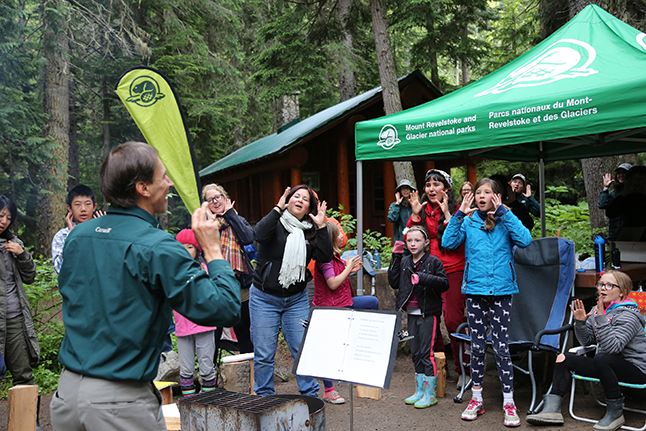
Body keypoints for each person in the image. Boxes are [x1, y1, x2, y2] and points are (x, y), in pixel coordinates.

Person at [50, 142, 241, 431]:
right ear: (143, 187)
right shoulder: (157, 246)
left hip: (66, 395)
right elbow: (224, 308)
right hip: (118, 402)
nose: (170, 183)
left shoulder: (78, 237)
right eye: (163, 176)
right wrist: (213, 251)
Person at [442, 178, 532, 427]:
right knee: (478, 347)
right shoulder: (469, 221)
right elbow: (448, 243)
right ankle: (477, 398)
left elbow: (525, 241)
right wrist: (459, 214)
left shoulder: (506, 220)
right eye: (478, 192)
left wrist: (504, 212)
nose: (481, 196)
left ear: (497, 196)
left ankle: (509, 402)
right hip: (475, 292)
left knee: (502, 348)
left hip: (502, 292)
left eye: (487, 192)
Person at [526, 270, 646, 431]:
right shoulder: (598, 310)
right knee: (564, 358)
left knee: (602, 357)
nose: (603, 288)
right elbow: (587, 341)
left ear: (622, 292)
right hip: (606, 366)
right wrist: (581, 322)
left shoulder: (628, 316)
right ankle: (552, 410)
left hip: (636, 369)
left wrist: (601, 318)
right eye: (601, 284)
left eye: (609, 285)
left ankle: (615, 412)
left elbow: (613, 348)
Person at [250, 185, 333, 397]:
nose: (300, 200)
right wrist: (277, 208)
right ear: (288, 199)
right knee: (264, 354)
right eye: (296, 196)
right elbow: (258, 234)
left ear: (309, 208)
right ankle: (264, 397)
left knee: (302, 350)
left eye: (305, 199)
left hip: (296, 300)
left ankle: (310, 395)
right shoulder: (275, 222)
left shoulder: (311, 230)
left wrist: (322, 227)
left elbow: (324, 257)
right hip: (264, 298)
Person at [408, 169, 467, 387]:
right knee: (430, 320)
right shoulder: (421, 210)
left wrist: (448, 215)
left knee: (453, 320)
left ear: (447, 189)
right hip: (427, 272)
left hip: (453, 269)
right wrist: (415, 216)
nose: (431, 189)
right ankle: (439, 368)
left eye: (437, 184)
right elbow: (412, 241)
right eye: (428, 185)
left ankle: (464, 368)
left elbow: (459, 240)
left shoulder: (459, 209)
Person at [313, 221, 379, 404]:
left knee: (372, 302)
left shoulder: (334, 257)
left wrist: (348, 269)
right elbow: (332, 283)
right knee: (328, 350)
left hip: (342, 304)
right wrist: (348, 268)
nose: (343, 236)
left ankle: (355, 342)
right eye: (340, 233)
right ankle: (329, 390)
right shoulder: (325, 259)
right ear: (332, 238)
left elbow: (337, 276)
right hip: (330, 310)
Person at [389, 225, 449, 409]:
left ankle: (430, 394)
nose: (413, 244)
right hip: (412, 314)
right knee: (415, 352)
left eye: (417, 240)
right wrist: (396, 256)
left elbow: (444, 284)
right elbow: (393, 281)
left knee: (426, 353)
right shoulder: (405, 261)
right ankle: (420, 391)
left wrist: (422, 278)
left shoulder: (433, 262)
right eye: (409, 241)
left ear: (426, 243)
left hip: (428, 314)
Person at [203, 183, 255, 354]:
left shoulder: (235, 218)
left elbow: (248, 238)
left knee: (242, 328)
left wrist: (230, 213)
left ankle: (250, 372)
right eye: (210, 200)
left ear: (225, 198)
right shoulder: (205, 224)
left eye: (217, 197)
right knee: (215, 330)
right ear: (206, 205)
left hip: (240, 280)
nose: (215, 201)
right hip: (217, 281)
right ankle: (209, 376)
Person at [173, 229, 218, 397]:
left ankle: (209, 403)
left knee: (206, 367)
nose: (185, 251)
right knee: (186, 370)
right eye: (181, 247)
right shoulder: (172, 271)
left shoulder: (205, 270)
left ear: (197, 249)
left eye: (190, 247)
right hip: (182, 328)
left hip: (204, 325)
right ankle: (190, 406)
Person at [0, 195, 38, 387]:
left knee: (23, 375)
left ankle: (28, 418)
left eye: (8, 218)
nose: (4, 221)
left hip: (14, 319)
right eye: (1, 216)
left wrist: (22, 255)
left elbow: (30, 277)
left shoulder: (14, 244)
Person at [51, 184, 104, 274]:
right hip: (74, 286)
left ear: (94, 207)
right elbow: (59, 269)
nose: (83, 209)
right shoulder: (62, 235)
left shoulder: (103, 231)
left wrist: (105, 234)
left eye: (87, 204)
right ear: (69, 208)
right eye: (77, 204)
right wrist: (72, 238)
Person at [599, 163, 632, 240]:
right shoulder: (613, 193)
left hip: (632, 233)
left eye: (624, 173)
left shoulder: (636, 193)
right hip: (615, 234)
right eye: (619, 173)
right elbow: (602, 205)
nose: (621, 175)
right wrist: (605, 188)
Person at [388, 179, 416, 244]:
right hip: (400, 241)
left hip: (414, 240)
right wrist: (397, 204)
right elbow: (392, 218)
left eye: (407, 188)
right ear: (400, 191)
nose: (405, 190)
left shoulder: (415, 205)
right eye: (403, 189)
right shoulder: (394, 205)